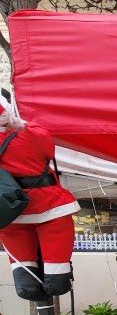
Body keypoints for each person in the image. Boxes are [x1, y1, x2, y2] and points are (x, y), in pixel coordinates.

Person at [0, 95, 79, 301]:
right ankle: (57, 278)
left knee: (26, 281)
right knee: (57, 276)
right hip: (48, 206)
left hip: (9, 214)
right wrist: (21, 124)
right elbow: (48, 149)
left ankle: (27, 283)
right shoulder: (29, 136)